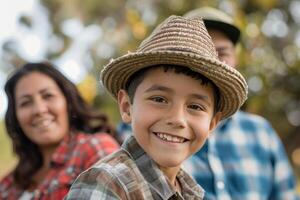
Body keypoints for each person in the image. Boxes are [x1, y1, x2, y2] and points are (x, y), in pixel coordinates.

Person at [65, 15, 248, 199]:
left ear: (211, 124)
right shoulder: (107, 183)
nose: (177, 119)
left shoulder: (187, 190)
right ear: (127, 106)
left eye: (195, 106)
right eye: (159, 99)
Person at [182, 7, 299, 200]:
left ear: (235, 60)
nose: (212, 62)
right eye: (199, 52)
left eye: (222, 53)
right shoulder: (149, 133)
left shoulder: (261, 132)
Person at [0, 62, 120, 200]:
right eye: (25, 103)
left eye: (48, 96)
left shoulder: (94, 147)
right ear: (15, 116)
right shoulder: (9, 183)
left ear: (68, 101)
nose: (39, 109)